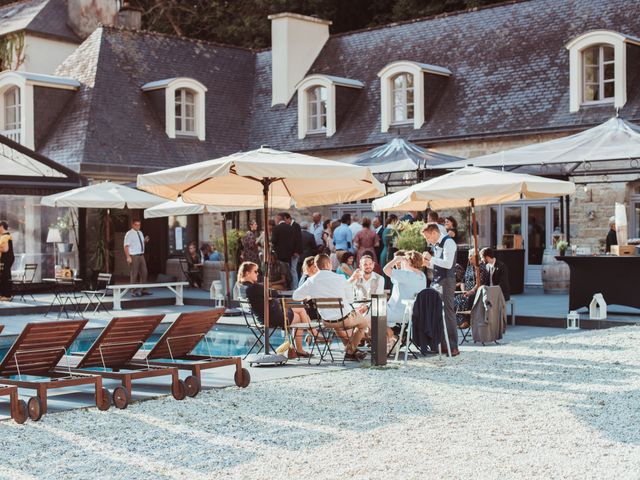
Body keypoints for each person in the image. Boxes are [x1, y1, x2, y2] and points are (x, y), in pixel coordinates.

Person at [292, 254, 369, 360]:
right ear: (328, 264)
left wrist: (310, 294)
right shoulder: (340, 278)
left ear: (316, 265)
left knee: (337, 325)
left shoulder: (311, 281)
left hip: (326, 321)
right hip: (344, 319)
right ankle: (350, 351)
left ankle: (351, 351)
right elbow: (350, 300)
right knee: (363, 324)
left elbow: (295, 296)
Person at [237, 261, 311, 356]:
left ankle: (308, 337)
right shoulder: (254, 288)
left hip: (263, 318)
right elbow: (275, 293)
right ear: (247, 273)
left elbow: (269, 295)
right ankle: (309, 337)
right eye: (255, 271)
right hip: (271, 318)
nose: (258, 273)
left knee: (299, 310)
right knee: (299, 315)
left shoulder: (242, 287)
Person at [422, 223, 459, 356]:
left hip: (447, 282)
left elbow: (448, 264)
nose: (427, 240)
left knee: (448, 312)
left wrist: (431, 259)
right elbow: (439, 264)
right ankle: (442, 344)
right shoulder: (436, 244)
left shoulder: (449, 243)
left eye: (427, 237)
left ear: (434, 233)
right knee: (435, 312)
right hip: (437, 281)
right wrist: (429, 264)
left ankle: (453, 347)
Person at [383, 251, 427, 351]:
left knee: (373, 315)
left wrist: (396, 260)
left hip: (398, 312)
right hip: (412, 313)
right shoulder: (422, 276)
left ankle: (393, 337)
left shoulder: (405, 274)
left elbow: (385, 269)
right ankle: (394, 338)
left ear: (408, 262)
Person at [454, 249, 490, 329]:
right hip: (467, 293)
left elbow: (480, 283)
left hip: (477, 294)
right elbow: (463, 280)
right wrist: (464, 291)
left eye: (470, 256)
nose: (469, 258)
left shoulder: (481, 268)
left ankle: (465, 321)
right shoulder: (469, 267)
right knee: (454, 300)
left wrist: (470, 292)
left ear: (475, 257)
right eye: (469, 256)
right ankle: (461, 321)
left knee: (460, 301)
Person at [124, 218, 150, 297]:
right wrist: (128, 256)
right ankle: (133, 291)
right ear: (132, 225)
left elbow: (140, 244)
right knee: (134, 274)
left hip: (141, 255)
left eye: (139, 225)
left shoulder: (140, 233)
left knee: (144, 272)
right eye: (136, 225)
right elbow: (126, 246)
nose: (138, 226)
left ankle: (143, 290)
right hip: (134, 255)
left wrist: (145, 241)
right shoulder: (129, 234)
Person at [271, 212, 295, 279]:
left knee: (280, 270)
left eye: (276, 218)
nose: (275, 220)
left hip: (278, 253)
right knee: (288, 269)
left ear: (279, 218)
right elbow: (293, 241)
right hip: (289, 253)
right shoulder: (291, 228)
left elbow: (273, 240)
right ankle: (288, 283)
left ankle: (282, 283)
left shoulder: (276, 228)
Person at [283, 213, 302, 287]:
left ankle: (295, 286)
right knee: (291, 269)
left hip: (295, 252)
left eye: (285, 220)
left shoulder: (295, 226)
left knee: (293, 269)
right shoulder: (291, 226)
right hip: (291, 252)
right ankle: (293, 286)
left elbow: (298, 239)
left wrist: (296, 251)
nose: (285, 222)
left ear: (288, 218)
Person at [0, 220, 15, 301]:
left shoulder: (5, 236)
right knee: (4, 276)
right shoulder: (6, 236)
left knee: (5, 276)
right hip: (7, 258)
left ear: (1, 227)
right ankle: (4, 294)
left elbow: (5, 249)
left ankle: (6, 295)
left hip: (6, 258)